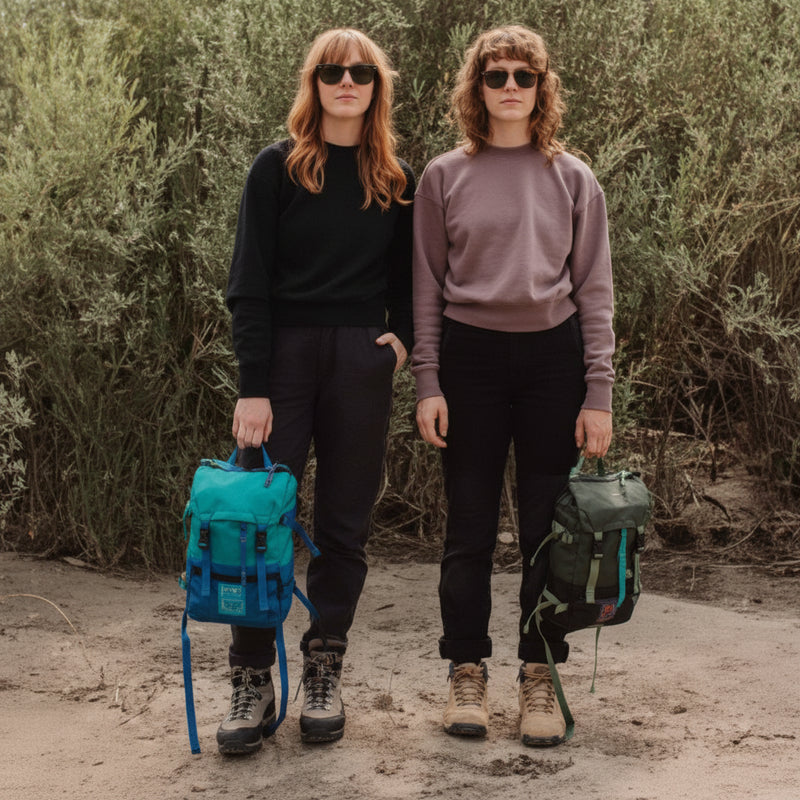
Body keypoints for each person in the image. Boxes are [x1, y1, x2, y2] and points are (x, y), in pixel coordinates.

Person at [411, 25, 615, 747]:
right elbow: (426, 289)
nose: (508, 89)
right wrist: (427, 380)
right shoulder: (443, 175)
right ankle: (466, 672)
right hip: (468, 361)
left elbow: (594, 291)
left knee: (546, 534)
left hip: (552, 364)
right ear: (477, 88)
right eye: (494, 77)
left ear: (541, 88)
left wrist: (599, 393)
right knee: (466, 528)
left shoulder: (573, 177)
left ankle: (539, 674)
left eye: (521, 77)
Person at [221, 27, 414, 753]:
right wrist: (253, 386)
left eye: (361, 72)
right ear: (314, 81)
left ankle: (324, 666)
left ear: (376, 86)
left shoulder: (394, 178)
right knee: (256, 518)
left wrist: (403, 342)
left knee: (343, 525)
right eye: (332, 71)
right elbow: (248, 284)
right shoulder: (276, 169)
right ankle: (250, 675)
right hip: (285, 366)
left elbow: (412, 283)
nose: (347, 82)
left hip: (361, 362)